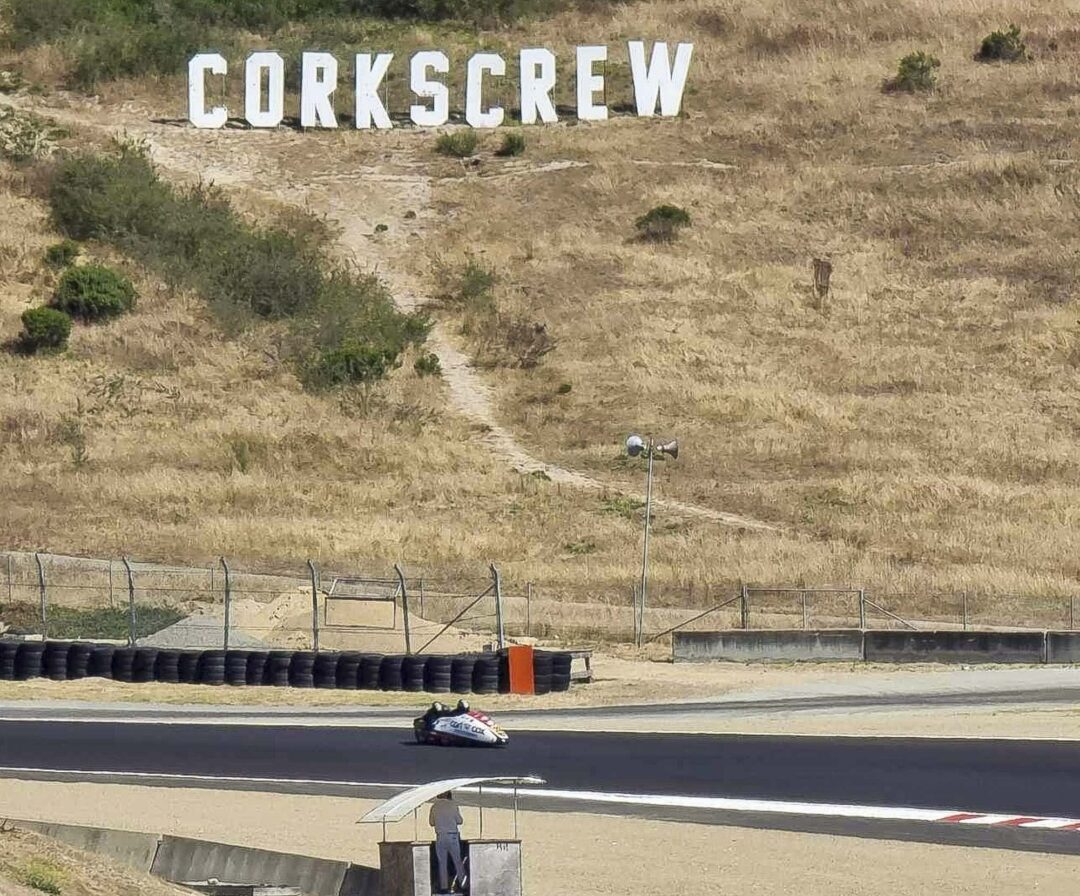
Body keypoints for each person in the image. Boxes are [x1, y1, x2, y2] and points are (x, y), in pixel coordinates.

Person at [428, 791, 466, 894]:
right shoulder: (453, 805)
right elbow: (460, 821)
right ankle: (463, 884)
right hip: (452, 835)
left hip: (440, 836)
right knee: (457, 861)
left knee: (442, 863)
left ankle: (444, 887)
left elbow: (431, 822)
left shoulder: (434, 807)